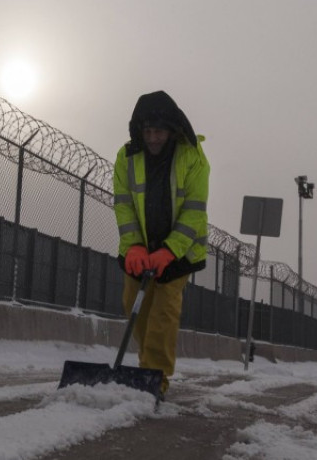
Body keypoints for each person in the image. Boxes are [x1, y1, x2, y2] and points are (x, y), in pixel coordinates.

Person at [113, 90, 209, 401]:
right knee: (134, 304)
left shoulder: (192, 158)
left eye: (159, 132)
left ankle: (155, 378)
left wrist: (170, 250)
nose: (153, 139)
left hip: (180, 251)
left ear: (172, 130)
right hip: (142, 246)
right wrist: (134, 246)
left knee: (162, 313)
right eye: (148, 131)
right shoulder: (126, 157)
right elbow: (124, 205)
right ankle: (146, 364)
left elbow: (194, 211)